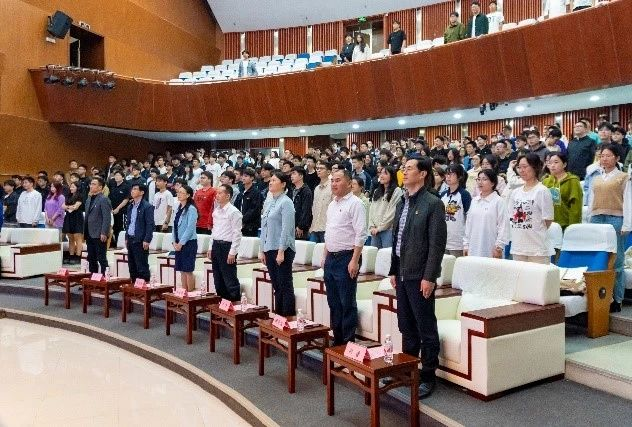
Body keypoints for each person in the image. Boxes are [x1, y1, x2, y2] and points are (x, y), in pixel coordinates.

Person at [389, 157, 446, 399]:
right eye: (404, 168)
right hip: (402, 272)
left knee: (425, 326)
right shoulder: (402, 202)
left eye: (409, 168)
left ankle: (428, 375)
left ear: (423, 174)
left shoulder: (433, 203)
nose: (404, 171)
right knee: (406, 324)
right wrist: (393, 270)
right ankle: (408, 369)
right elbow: (397, 240)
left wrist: (429, 276)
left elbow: (436, 244)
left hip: (420, 274)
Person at [323, 169, 367, 345]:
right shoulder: (332, 204)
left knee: (346, 302)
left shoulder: (356, 204)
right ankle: (338, 339)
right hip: (331, 257)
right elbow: (329, 232)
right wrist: (325, 256)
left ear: (349, 183)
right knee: (333, 302)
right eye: (332, 180)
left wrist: (354, 260)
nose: (334, 184)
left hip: (347, 257)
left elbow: (360, 234)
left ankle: (348, 343)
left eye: (338, 180)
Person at [589, 145, 630, 313]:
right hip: (597, 218)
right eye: (602, 156)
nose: (604, 159)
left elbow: (628, 201)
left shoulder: (624, 177)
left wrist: (627, 224)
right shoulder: (597, 177)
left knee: (616, 259)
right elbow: (591, 199)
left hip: (616, 218)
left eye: (608, 155)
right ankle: (601, 297)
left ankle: (617, 298)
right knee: (599, 258)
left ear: (617, 158)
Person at [258, 172, 296, 316]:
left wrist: (281, 251)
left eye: (274, 180)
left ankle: (288, 318)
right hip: (269, 248)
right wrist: (262, 249)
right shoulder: (269, 202)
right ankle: (279, 317)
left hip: (282, 249)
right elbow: (264, 227)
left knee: (284, 285)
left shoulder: (286, 202)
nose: (270, 182)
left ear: (283, 184)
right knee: (277, 286)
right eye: (271, 180)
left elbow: (287, 229)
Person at [508, 154, 554, 264]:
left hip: (537, 249)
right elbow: (511, 217)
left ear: (535, 167)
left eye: (525, 166)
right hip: (518, 247)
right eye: (519, 167)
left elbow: (548, 219)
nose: (521, 170)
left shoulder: (542, 191)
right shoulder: (515, 192)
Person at [208, 184, 243, 301]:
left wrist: (232, 252)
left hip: (227, 247)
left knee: (229, 278)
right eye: (216, 193)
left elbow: (237, 234)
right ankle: (222, 304)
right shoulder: (216, 211)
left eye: (220, 193)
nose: (216, 196)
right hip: (216, 245)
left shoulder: (234, 212)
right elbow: (214, 230)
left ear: (228, 196)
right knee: (217, 278)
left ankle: (234, 304)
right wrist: (210, 247)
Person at [464, 169, 509, 258]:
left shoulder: (499, 201)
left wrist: (499, 246)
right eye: (478, 179)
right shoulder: (474, 201)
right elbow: (468, 224)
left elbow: (503, 225)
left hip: (491, 247)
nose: (480, 182)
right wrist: (466, 244)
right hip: (473, 247)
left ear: (493, 183)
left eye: (484, 179)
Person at [542, 153, 583, 230]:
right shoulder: (545, 182)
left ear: (564, 164)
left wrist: (572, 228)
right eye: (550, 163)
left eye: (556, 162)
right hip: (548, 225)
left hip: (565, 225)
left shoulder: (573, 181)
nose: (552, 165)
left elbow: (575, 207)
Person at [125, 184, 154, 283]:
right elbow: (128, 223)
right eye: (132, 189)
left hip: (140, 240)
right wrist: (126, 237)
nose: (132, 191)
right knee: (132, 266)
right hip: (130, 238)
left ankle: (144, 287)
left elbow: (150, 224)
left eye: (135, 189)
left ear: (142, 192)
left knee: (141, 266)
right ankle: (134, 287)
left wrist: (147, 239)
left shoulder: (147, 206)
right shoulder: (130, 206)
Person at [368, 166, 403, 249]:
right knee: (374, 255)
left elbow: (392, 212)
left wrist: (380, 228)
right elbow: (371, 210)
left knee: (386, 255)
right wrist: (372, 226)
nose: (381, 175)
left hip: (388, 230)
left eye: (385, 173)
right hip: (374, 230)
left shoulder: (397, 191)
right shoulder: (376, 191)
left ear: (392, 176)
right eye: (381, 173)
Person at [441, 165, 471, 257]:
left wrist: (467, 242)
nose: (448, 176)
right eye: (447, 174)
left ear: (459, 177)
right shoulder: (443, 195)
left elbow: (469, 218)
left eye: (452, 174)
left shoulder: (464, 195)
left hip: (458, 242)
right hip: (444, 240)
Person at [84, 177, 112, 274]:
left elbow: (107, 218)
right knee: (91, 258)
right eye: (91, 184)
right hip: (89, 233)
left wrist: (104, 232)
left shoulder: (104, 199)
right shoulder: (89, 199)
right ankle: (94, 278)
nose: (91, 186)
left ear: (100, 187)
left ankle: (105, 277)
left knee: (101, 258)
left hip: (99, 233)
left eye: (94, 184)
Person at [173, 185, 198, 291]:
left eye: (181, 192)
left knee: (188, 270)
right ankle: (183, 293)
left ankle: (190, 294)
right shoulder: (178, 208)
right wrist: (174, 242)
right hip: (178, 243)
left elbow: (190, 228)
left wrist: (181, 243)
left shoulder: (191, 209)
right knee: (181, 270)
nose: (178, 194)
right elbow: (174, 226)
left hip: (188, 243)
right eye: (178, 192)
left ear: (188, 195)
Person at [235, 168, 262, 237]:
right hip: (239, 224)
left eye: (246, 176)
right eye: (243, 176)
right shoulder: (241, 193)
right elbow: (236, 207)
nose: (243, 178)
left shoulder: (256, 193)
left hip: (251, 226)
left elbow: (254, 210)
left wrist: (243, 220)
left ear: (252, 178)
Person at [310, 161, 333, 243]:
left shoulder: (333, 187)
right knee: (311, 250)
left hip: (327, 228)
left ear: (329, 172)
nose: (318, 170)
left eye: (321, 168)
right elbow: (314, 208)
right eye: (317, 168)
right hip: (315, 227)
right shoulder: (316, 188)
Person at [62, 182, 84, 264]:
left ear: (77, 188)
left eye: (73, 187)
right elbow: (63, 206)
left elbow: (75, 207)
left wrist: (68, 207)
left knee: (77, 237)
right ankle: (71, 255)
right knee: (70, 238)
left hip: (77, 217)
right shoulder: (68, 196)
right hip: (68, 217)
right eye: (70, 187)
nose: (71, 188)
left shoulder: (80, 196)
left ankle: (78, 256)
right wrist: (69, 207)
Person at [108, 171, 130, 248]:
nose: (116, 177)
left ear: (123, 177)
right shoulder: (113, 186)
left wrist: (118, 208)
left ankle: (123, 245)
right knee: (114, 227)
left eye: (118, 175)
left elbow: (126, 199)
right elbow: (109, 199)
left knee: (121, 228)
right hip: (112, 211)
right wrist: (110, 208)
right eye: (115, 175)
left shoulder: (126, 186)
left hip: (122, 211)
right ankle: (115, 244)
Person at [290, 167, 313, 240]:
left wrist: (301, 226)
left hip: (300, 227)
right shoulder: (292, 190)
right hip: (290, 225)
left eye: (294, 174)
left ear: (301, 176)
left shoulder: (306, 191)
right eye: (291, 174)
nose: (291, 176)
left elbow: (306, 210)